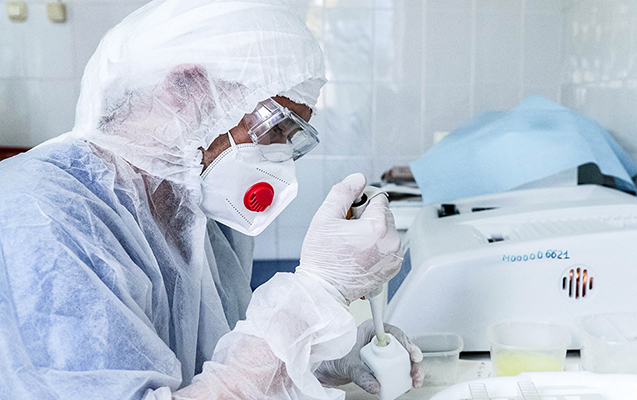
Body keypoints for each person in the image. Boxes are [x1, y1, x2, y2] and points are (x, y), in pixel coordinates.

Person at [0, 0, 424, 398]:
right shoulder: (40, 218)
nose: (279, 159)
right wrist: (317, 293)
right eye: (273, 128)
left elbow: (215, 370)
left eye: (292, 139)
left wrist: (320, 355)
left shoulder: (197, 216)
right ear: (184, 86)